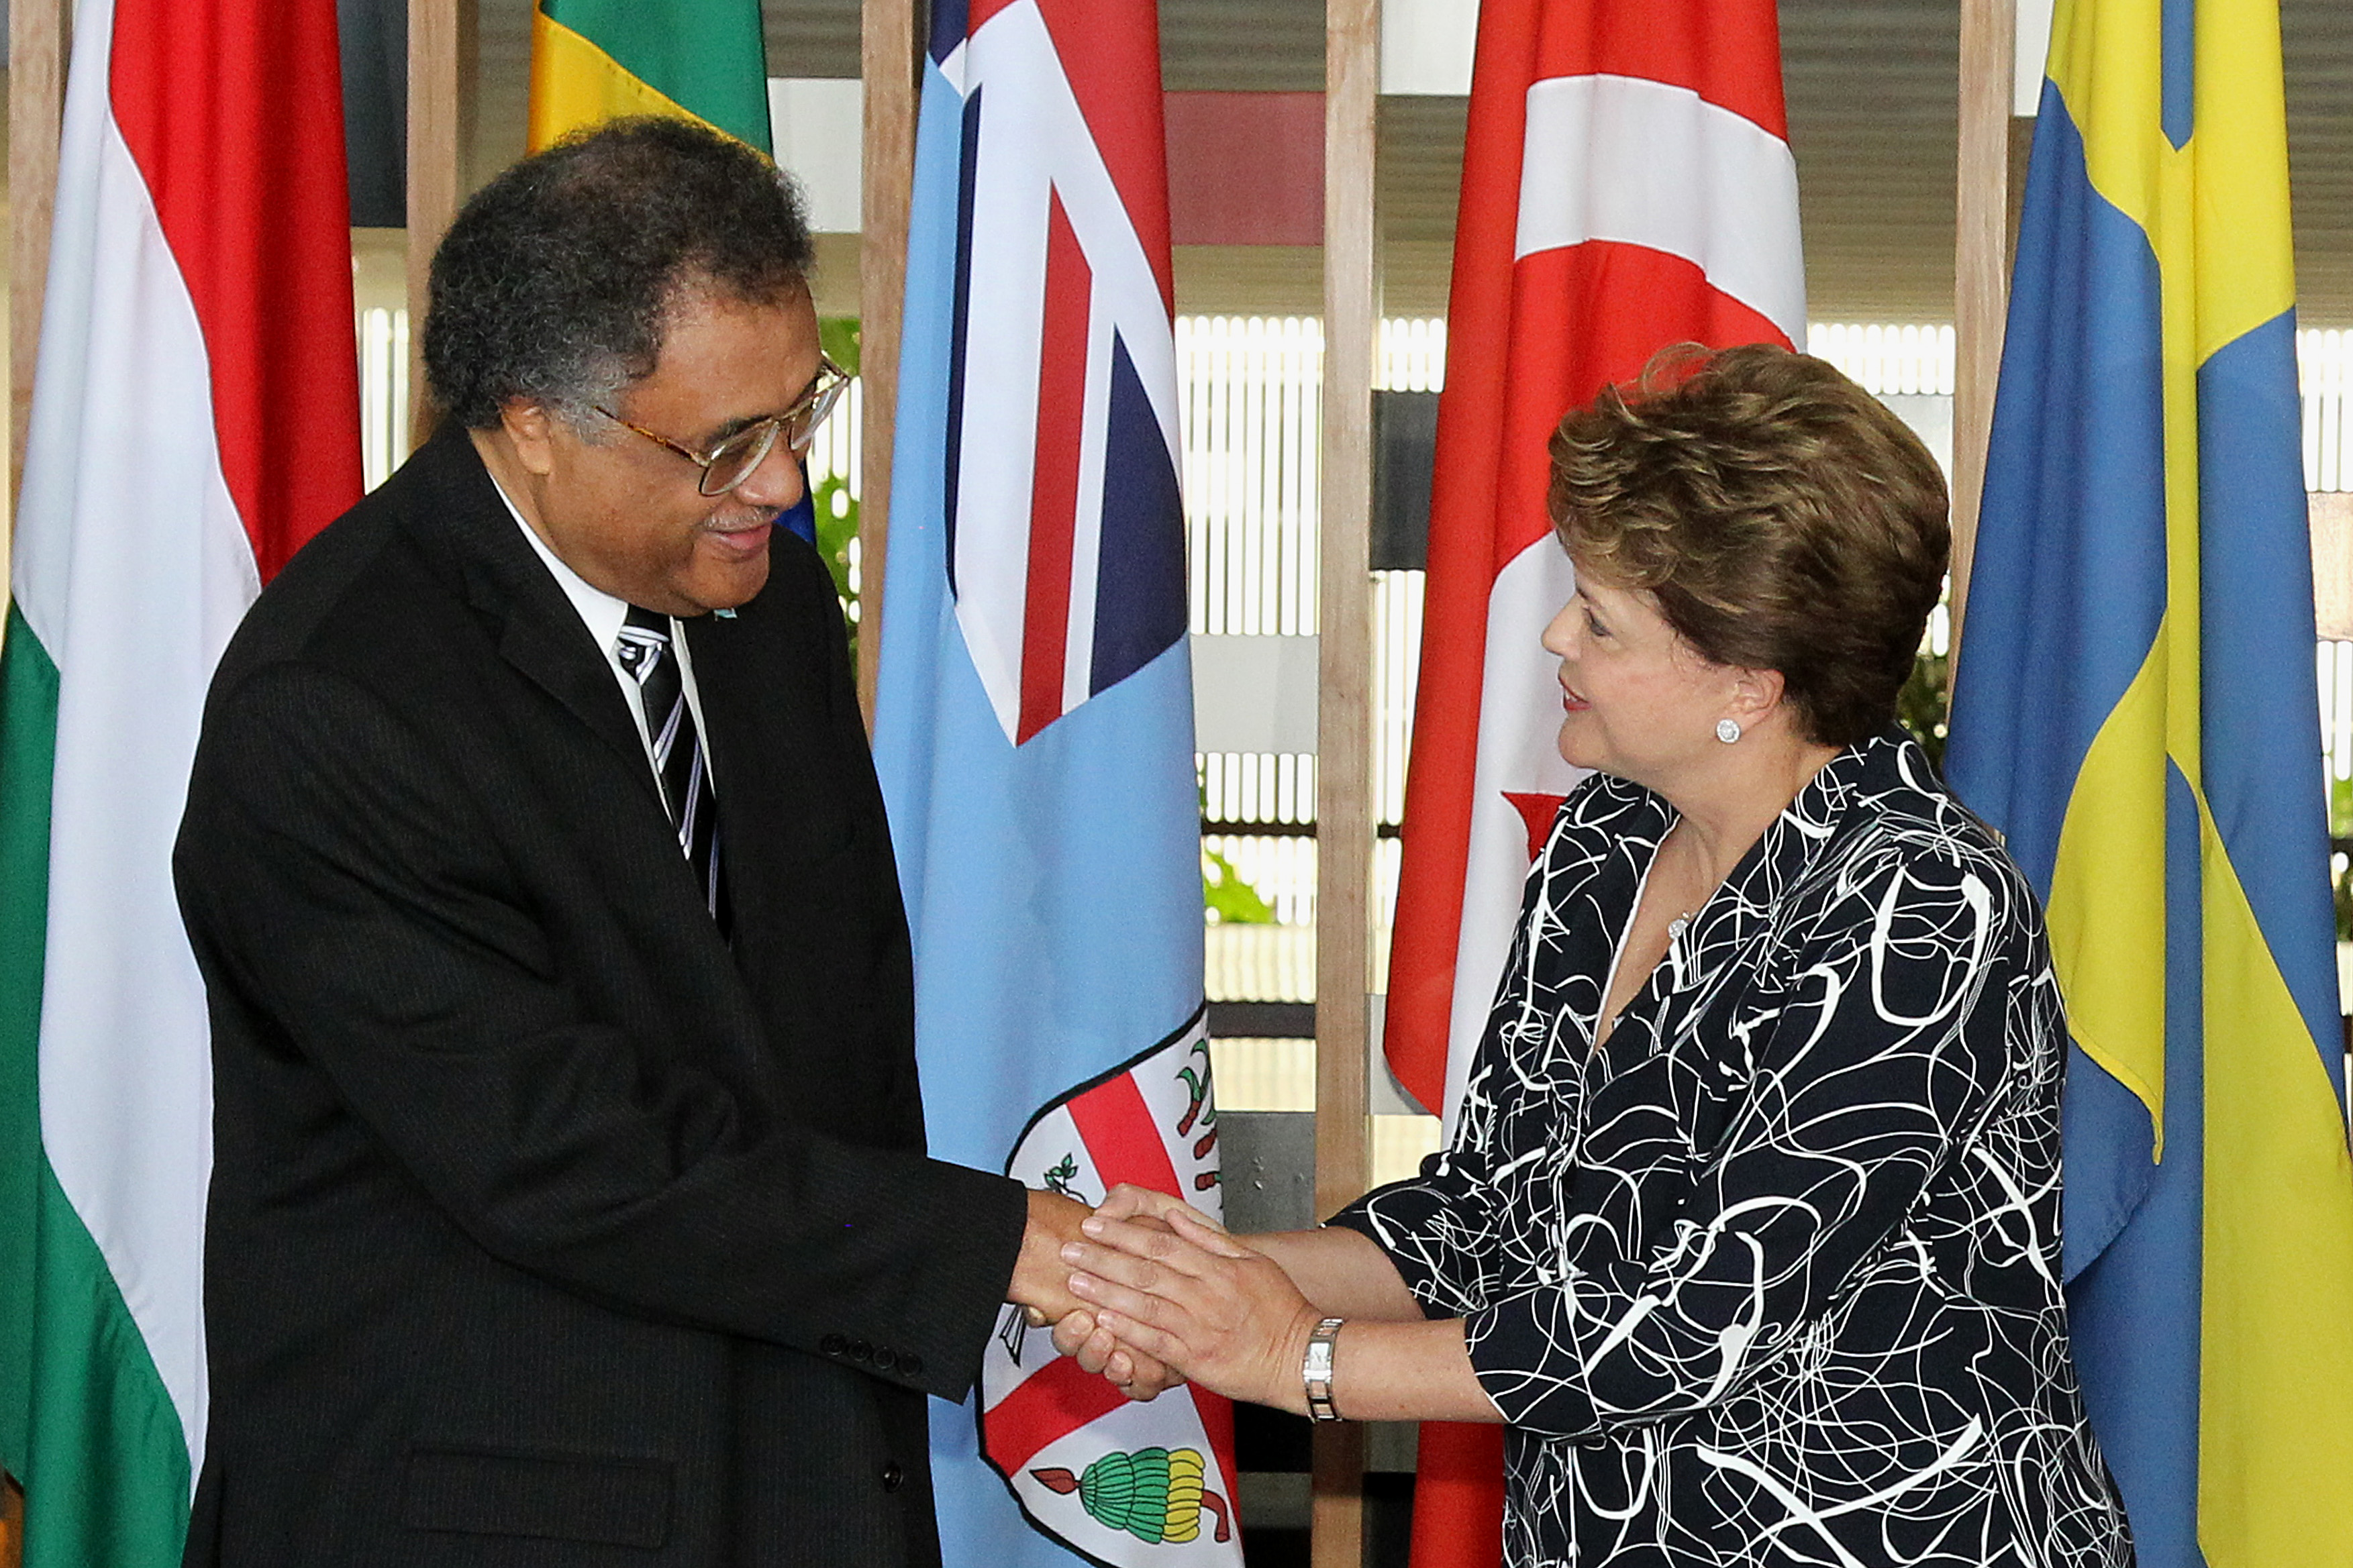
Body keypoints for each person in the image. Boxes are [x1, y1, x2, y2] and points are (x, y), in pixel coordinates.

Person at [171, 118, 1110, 1568]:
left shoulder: (766, 612)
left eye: (802, 411)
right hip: (486, 1515)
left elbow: (833, 1050)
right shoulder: (335, 703)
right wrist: (1002, 1246)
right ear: (536, 417)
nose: (784, 484)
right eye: (727, 442)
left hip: (789, 1476)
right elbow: (565, 1148)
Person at [1053, 344, 2137, 1565]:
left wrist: (1288, 1356)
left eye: (1603, 617)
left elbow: (1692, 1320)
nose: (1556, 632)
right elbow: (1489, 1217)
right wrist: (1195, 1281)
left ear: (1746, 676)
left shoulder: (1922, 902)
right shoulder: (1605, 840)